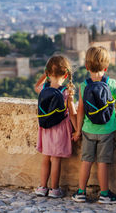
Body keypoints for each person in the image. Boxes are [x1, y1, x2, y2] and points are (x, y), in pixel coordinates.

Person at [72, 46, 116, 204]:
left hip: (88, 129)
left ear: (87, 67)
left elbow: (80, 110)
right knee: (103, 162)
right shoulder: (112, 83)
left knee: (86, 160)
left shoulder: (83, 86)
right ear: (106, 67)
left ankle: (81, 192)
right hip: (107, 130)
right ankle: (105, 194)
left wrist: (77, 131)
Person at [34, 55, 77, 198]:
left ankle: (42, 187)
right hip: (59, 129)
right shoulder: (65, 92)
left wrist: (45, 75)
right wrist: (77, 130)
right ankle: (54, 189)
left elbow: (35, 86)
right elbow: (72, 114)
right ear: (66, 74)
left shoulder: (44, 88)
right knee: (56, 159)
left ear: (47, 73)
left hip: (45, 129)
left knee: (46, 159)